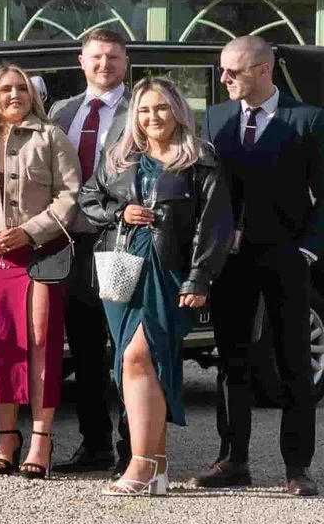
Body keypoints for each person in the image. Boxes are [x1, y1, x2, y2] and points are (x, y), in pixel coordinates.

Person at [199, 35, 324, 497]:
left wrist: (307, 249)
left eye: (231, 72)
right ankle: (232, 460)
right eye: (222, 70)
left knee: (294, 364)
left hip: (286, 258)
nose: (223, 79)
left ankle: (297, 468)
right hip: (231, 262)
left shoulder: (307, 120)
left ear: (263, 70)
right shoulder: (217, 118)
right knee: (231, 363)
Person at [77, 78, 230, 497]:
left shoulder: (200, 161)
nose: (152, 117)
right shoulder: (121, 158)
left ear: (178, 111)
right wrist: (119, 211)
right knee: (141, 364)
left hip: (170, 275)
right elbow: (88, 198)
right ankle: (157, 468)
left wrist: (199, 277)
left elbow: (214, 226)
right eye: (144, 110)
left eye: (161, 108)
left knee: (141, 357)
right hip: (123, 270)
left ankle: (140, 465)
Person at [0, 63, 81, 478]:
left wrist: (29, 231)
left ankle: (41, 439)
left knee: (41, 342)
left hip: (41, 254)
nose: (14, 95)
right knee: (0, 345)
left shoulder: (51, 137)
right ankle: (7, 437)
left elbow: (70, 194)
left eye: (22, 89)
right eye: (6, 89)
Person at [48, 27, 134, 473]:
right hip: (72, 242)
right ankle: (95, 443)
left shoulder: (143, 109)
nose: (104, 65)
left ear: (125, 63)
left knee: (125, 348)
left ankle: (131, 450)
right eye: (96, 57)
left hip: (121, 240)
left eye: (113, 58)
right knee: (83, 350)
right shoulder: (61, 112)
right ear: (81, 61)